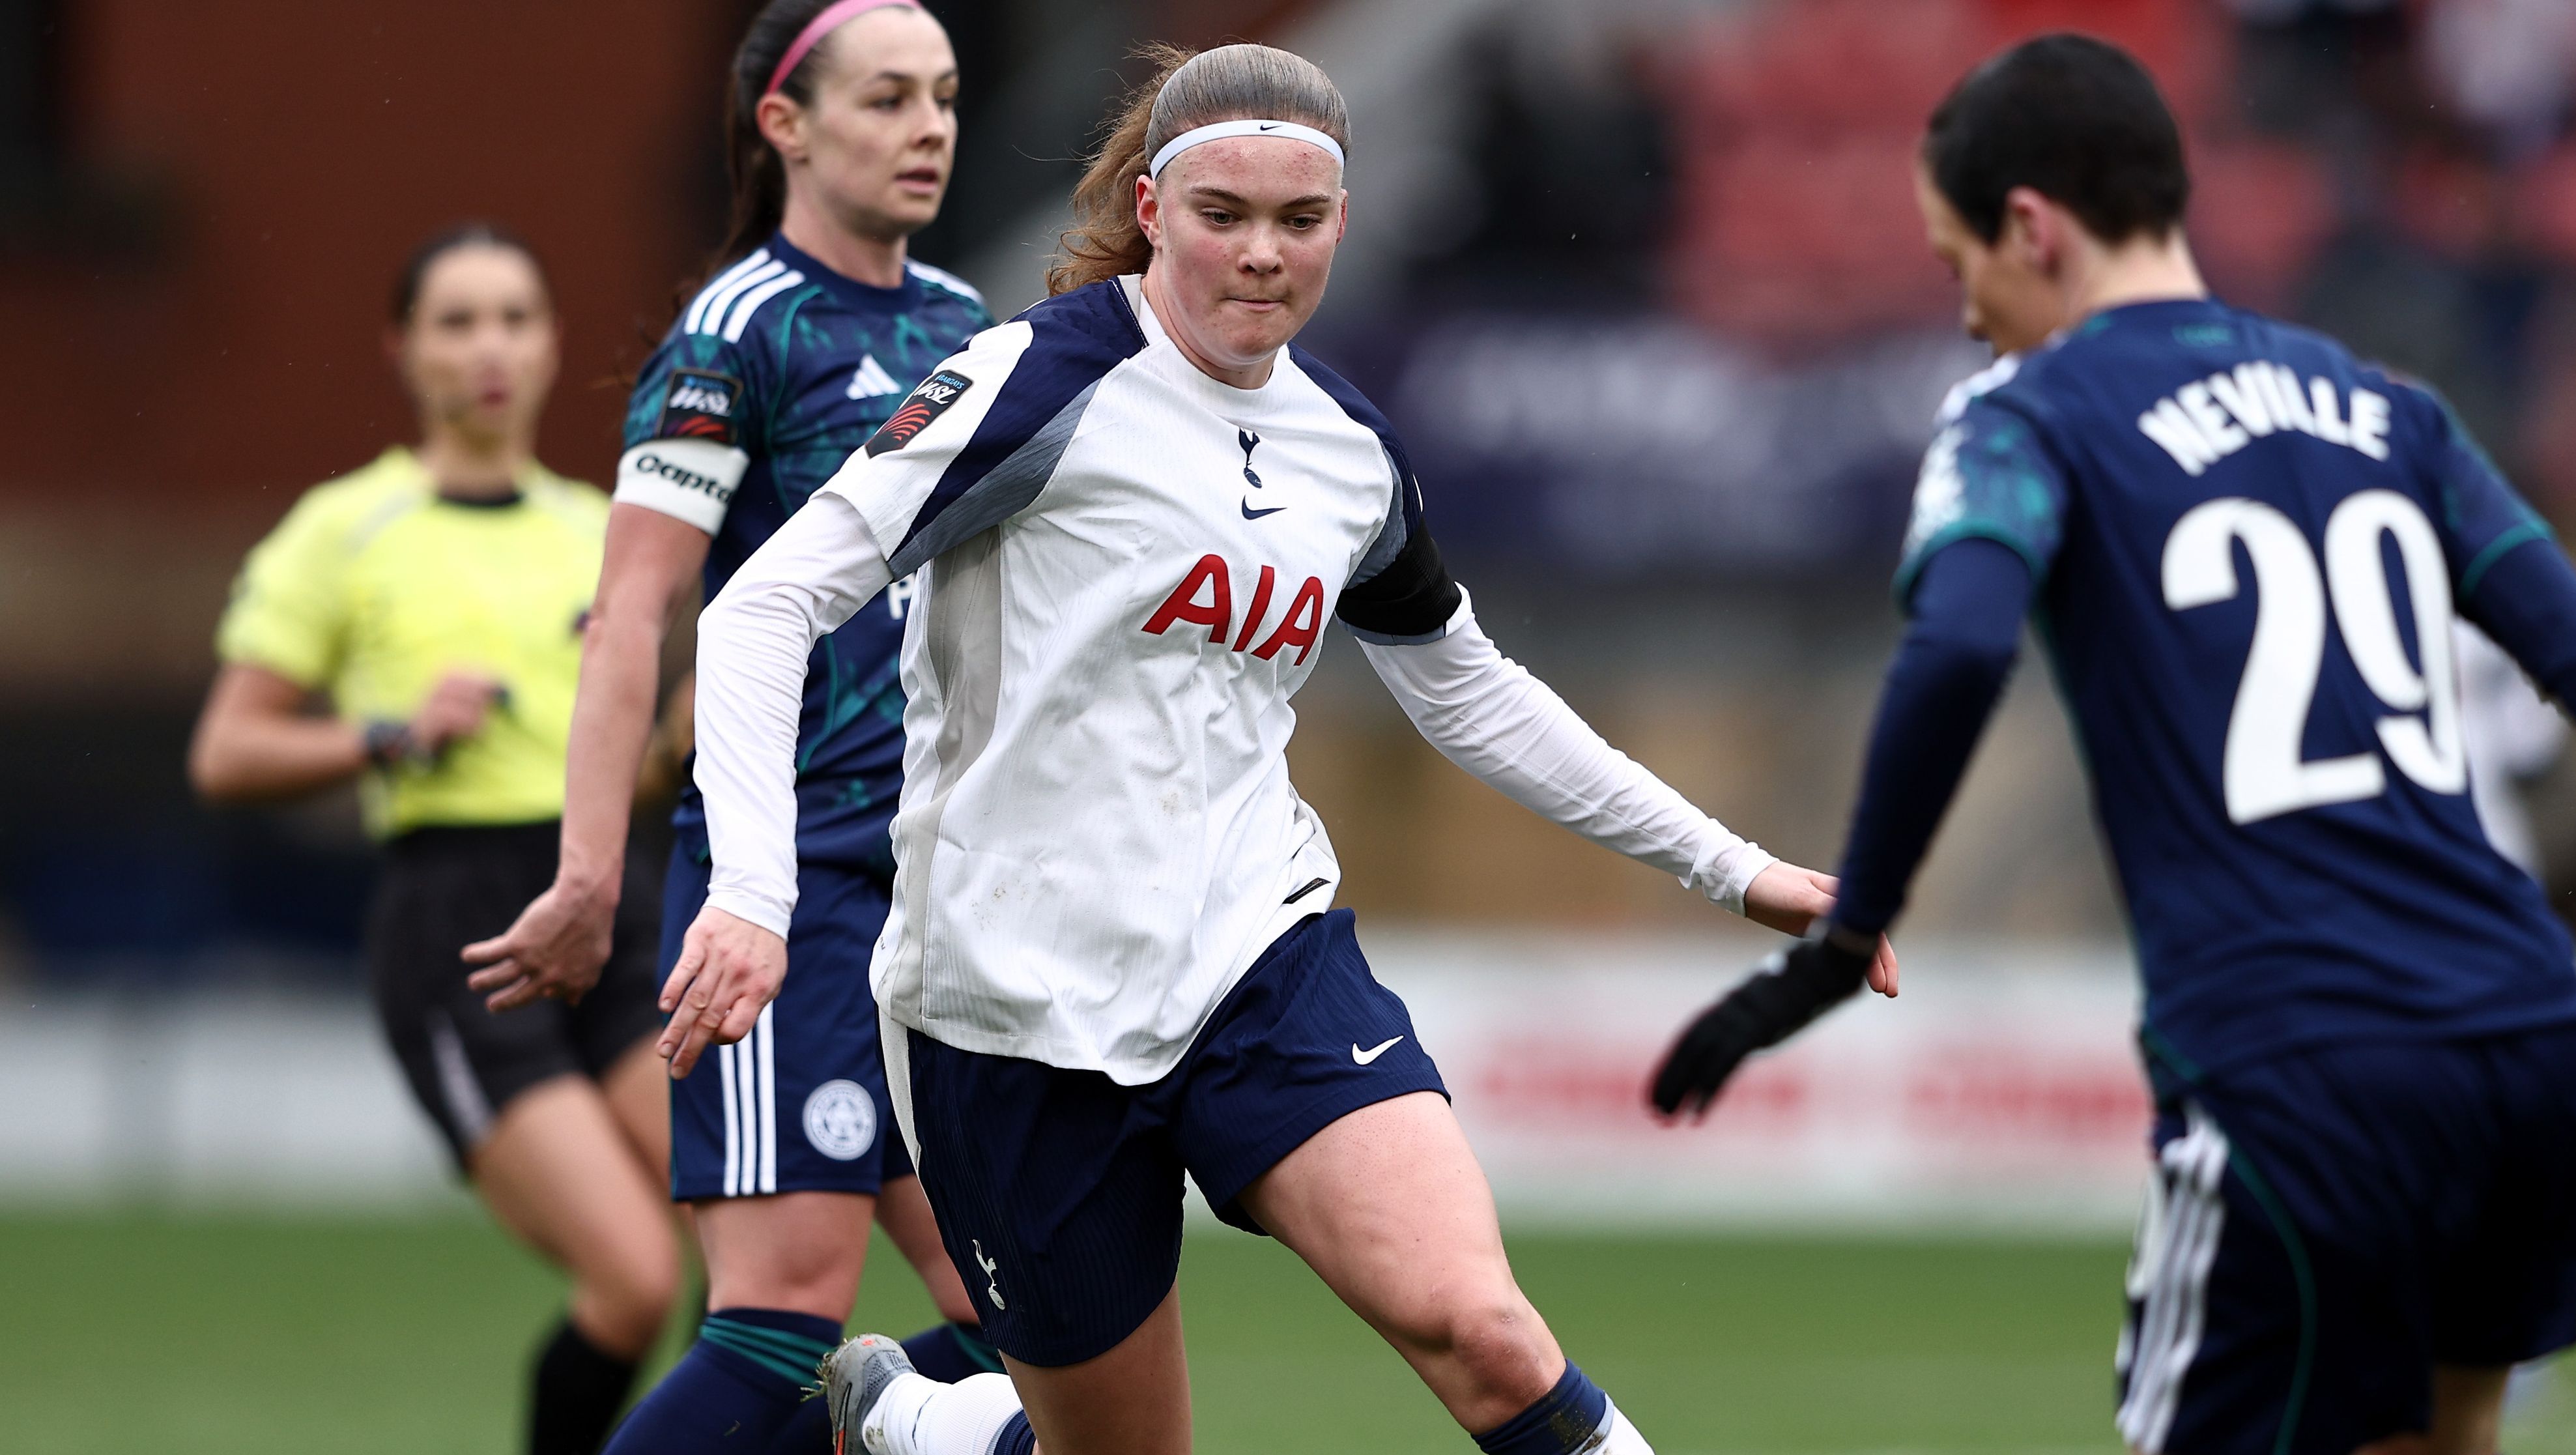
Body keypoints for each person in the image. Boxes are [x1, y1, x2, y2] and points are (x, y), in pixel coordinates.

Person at [659, 40, 1891, 1455]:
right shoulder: (1034, 383)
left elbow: (1466, 689)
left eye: (1299, 219)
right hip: (1005, 1009)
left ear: (1343, 223)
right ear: (1150, 208)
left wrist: (1737, 869)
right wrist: (750, 891)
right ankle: (929, 1428)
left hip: (1256, 958)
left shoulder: (1343, 448)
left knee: (1485, 1334)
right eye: (1222, 214)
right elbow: (763, 607)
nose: (1261, 253)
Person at [1650, 34, 2576, 1455]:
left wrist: (1845, 937)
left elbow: (1959, 642)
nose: (1968, 314)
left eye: (1958, 263)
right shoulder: (2392, 412)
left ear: (2031, 227)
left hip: (2299, 1058)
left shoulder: (2030, 415)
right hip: (2525, 1036)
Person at [457, 3, 997, 1451]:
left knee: (1014, 1317)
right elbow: (630, 613)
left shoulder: (968, 329)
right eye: (887, 98)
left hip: (944, 896)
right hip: (793, 889)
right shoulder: (736, 334)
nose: (928, 128)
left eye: (945, 96)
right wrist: (588, 875)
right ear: (785, 125)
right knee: (778, 1317)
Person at [189, 224, 680, 1455]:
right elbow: (226, 752)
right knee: (633, 1277)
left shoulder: (601, 530)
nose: (489, 348)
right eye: (456, 322)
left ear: (553, 343)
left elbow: (633, 770)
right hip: (461, 927)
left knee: (759, 1252)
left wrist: (687, 729)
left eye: (515, 318)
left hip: (613, 901)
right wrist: (388, 734)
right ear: (403, 351)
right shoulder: (347, 527)